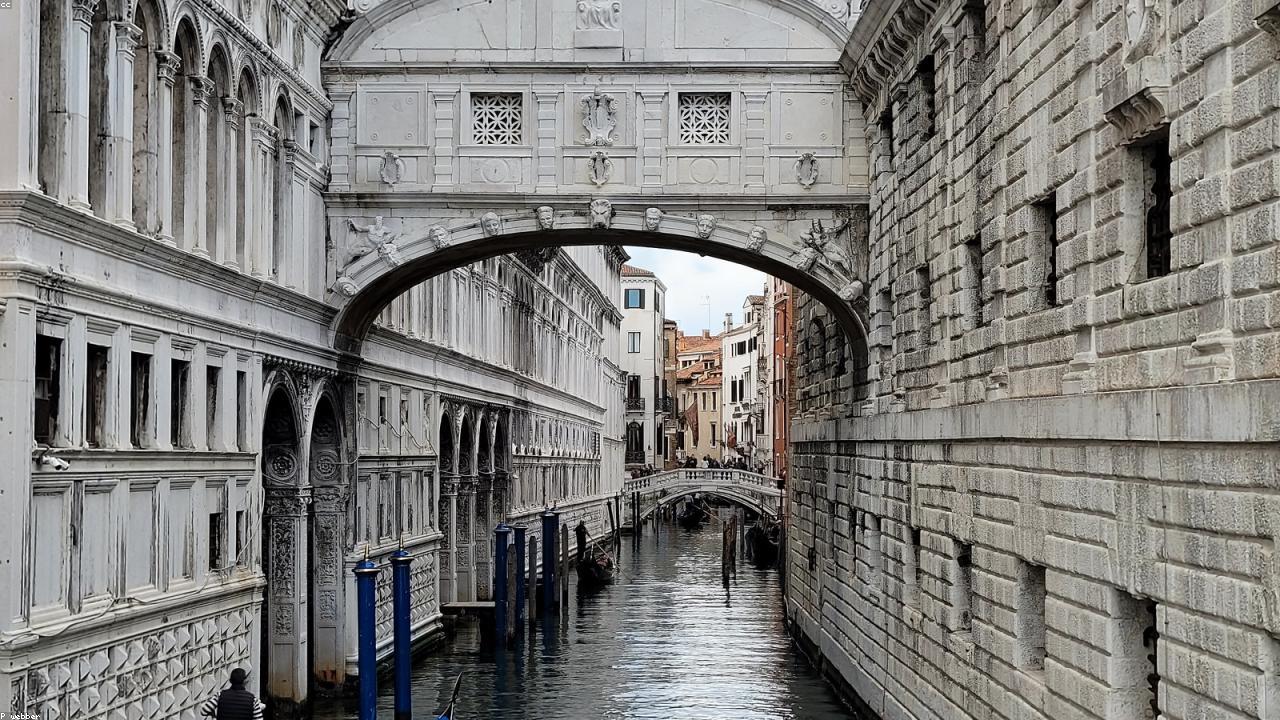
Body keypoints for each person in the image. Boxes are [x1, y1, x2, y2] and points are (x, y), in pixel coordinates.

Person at [200, 668, 265, 720]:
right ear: (244, 682)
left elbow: (203, 711)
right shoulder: (252, 699)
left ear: (230, 681)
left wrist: (214, 716)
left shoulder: (220, 695)